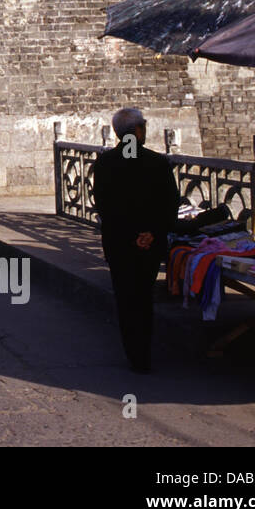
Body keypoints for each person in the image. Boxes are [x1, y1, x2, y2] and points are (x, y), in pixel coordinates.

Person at [93, 107, 178, 373]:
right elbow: (170, 203)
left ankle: (135, 354)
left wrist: (131, 235)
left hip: (119, 243)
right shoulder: (157, 162)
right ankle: (145, 352)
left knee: (126, 298)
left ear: (118, 132)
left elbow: (104, 205)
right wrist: (150, 232)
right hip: (150, 243)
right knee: (144, 295)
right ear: (139, 130)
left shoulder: (105, 163)